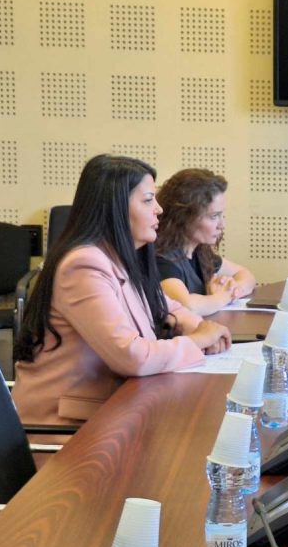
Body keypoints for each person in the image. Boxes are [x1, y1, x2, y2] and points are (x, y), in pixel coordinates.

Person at [14, 155, 231, 427]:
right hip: (67, 426)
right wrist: (199, 339)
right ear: (115, 208)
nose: (159, 209)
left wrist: (198, 326)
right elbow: (131, 357)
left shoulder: (118, 256)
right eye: (148, 200)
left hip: (113, 409)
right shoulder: (83, 266)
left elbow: (164, 305)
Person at [155, 169, 256, 316]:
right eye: (214, 216)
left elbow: (246, 275)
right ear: (184, 216)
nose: (222, 225)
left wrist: (232, 288)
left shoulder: (199, 250)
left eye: (222, 215)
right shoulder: (162, 259)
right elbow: (186, 306)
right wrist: (223, 296)